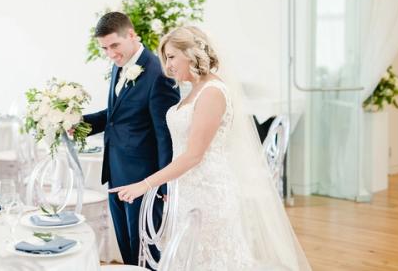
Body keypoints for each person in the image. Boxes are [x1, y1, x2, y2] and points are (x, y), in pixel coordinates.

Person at [109, 26, 311, 270]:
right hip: (188, 190)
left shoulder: (212, 92)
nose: (167, 66)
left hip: (209, 194)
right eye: (165, 59)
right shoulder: (195, 89)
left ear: (192, 53)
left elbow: (194, 155)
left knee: (210, 260)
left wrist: (146, 184)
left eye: (172, 57)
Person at [82, 12, 180, 265]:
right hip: (116, 173)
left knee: (145, 253)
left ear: (132, 35)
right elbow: (114, 116)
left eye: (114, 45)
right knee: (127, 250)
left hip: (144, 179)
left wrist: (165, 184)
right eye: (104, 48)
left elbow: (165, 133)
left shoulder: (158, 72)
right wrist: (77, 125)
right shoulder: (119, 66)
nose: (110, 54)